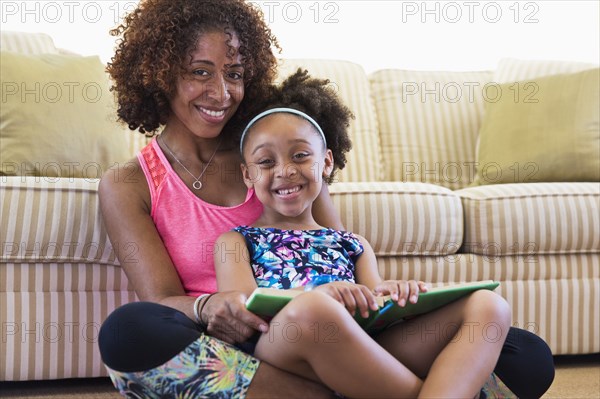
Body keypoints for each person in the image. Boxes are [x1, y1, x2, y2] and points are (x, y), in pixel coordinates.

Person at [97, 0, 555, 397]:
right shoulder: (130, 183)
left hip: (341, 336)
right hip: (241, 346)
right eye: (200, 73)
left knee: (524, 354)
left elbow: (339, 257)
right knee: (130, 333)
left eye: (234, 74)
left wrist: (386, 296)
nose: (221, 93)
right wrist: (208, 305)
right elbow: (161, 301)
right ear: (157, 72)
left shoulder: (278, 149)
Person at [214, 70, 511, 398]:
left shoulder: (352, 244)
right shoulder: (236, 241)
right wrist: (319, 295)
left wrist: (397, 293)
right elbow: (243, 312)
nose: (285, 170)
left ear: (326, 163)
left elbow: (376, 303)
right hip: (284, 350)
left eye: (300, 155)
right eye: (266, 162)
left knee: (490, 305)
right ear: (247, 174)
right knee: (315, 310)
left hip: (360, 349)